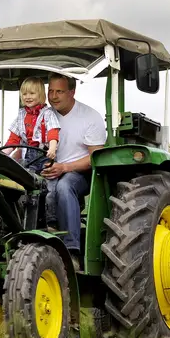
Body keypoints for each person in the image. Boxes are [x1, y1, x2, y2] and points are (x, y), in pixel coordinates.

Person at [41, 73, 106, 271]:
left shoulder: (89, 117)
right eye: (50, 91)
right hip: (48, 171)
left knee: (64, 185)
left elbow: (96, 158)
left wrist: (64, 167)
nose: (53, 96)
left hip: (80, 173)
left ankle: (72, 250)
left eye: (59, 91)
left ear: (72, 92)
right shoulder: (45, 115)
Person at [3, 76, 61, 226]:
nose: (28, 97)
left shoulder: (47, 114)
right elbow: (13, 141)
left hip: (44, 155)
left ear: (41, 95)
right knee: (21, 188)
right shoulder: (21, 115)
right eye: (24, 94)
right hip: (28, 156)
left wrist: (53, 148)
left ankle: (51, 222)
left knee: (50, 189)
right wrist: (1, 155)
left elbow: (53, 133)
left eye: (32, 93)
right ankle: (22, 222)